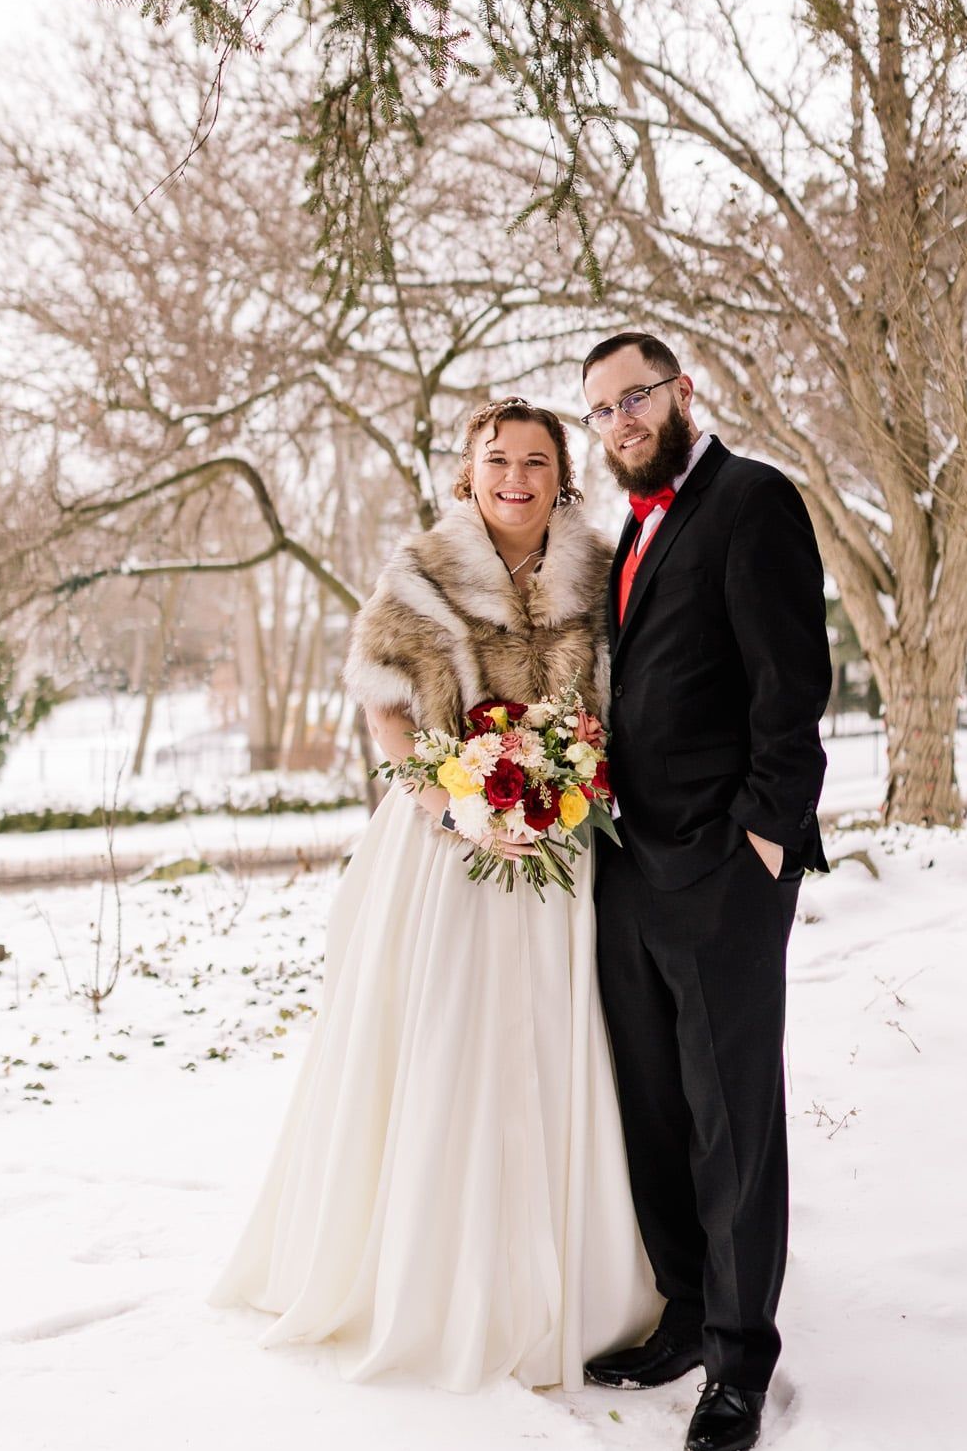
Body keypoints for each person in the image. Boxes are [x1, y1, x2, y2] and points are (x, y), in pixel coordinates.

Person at [209, 398, 659, 1391]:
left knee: (562, 1042)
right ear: (468, 470)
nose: (515, 478)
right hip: (446, 849)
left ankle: (581, 1278)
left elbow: (620, 706)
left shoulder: (601, 570)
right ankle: (428, 1279)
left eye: (536, 461)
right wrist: (450, 806)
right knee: (447, 1041)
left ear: (561, 474)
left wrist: (568, 782)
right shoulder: (420, 570)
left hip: (566, 852)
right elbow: (382, 710)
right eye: (496, 459)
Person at [579, 332, 831, 1451]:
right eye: (600, 409)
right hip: (630, 866)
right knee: (658, 1108)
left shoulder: (750, 499)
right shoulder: (630, 528)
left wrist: (765, 838)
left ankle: (739, 1354)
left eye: (634, 396)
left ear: (682, 392)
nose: (618, 420)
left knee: (734, 1120)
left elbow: (791, 684)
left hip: (727, 868)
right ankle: (684, 1311)